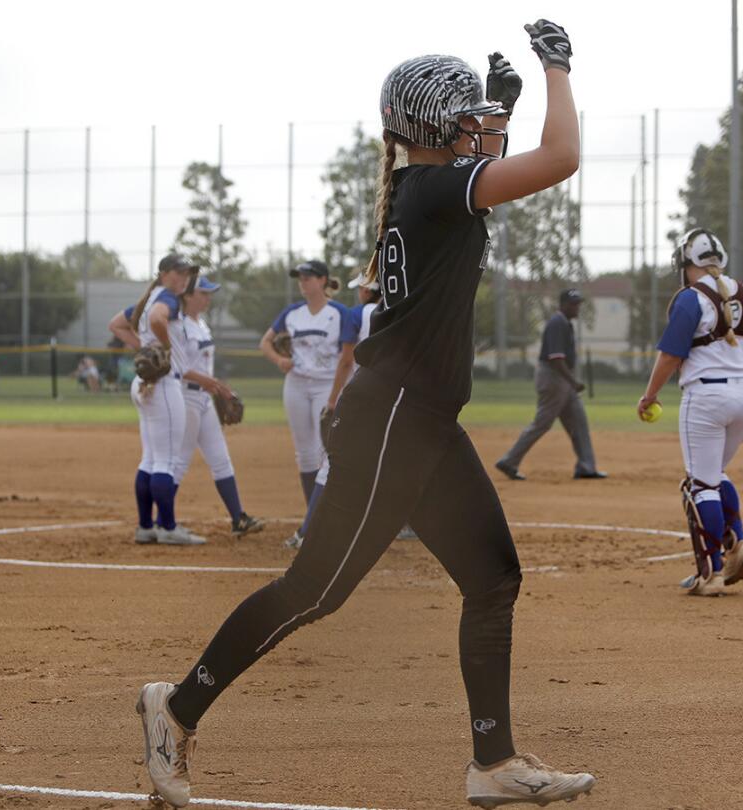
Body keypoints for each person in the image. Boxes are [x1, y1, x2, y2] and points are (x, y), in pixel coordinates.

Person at [135, 26, 596, 808]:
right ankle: (173, 711)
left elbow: (493, 161)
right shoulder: (437, 190)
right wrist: (557, 68)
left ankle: (493, 764)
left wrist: (498, 116)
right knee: (316, 590)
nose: (475, 126)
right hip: (393, 421)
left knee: (492, 579)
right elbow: (560, 160)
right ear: (427, 130)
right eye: (462, 118)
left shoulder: (426, 190)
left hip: (421, 422)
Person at [636, 228, 743, 597]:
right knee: (714, 474)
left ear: (685, 264)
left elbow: (670, 356)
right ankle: (738, 543)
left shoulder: (691, 299)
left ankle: (710, 573)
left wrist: (649, 395)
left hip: (706, 397)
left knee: (701, 483)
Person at [288, 273, 419, 549]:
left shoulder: (357, 314)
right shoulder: (397, 311)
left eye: (360, 287)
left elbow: (347, 360)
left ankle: (307, 532)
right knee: (394, 457)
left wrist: (333, 400)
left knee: (331, 462)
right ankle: (407, 521)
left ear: (367, 290)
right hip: (398, 394)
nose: (358, 292)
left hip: (366, 396)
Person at [107, 253, 207, 546]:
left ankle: (145, 526)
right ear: (164, 274)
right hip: (164, 384)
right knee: (166, 460)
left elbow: (116, 324)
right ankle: (168, 527)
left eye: (187, 273)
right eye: (178, 272)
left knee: (151, 458)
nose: (184, 278)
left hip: (145, 384)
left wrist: (144, 348)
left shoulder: (149, 297)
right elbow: (156, 319)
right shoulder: (168, 299)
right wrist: (162, 345)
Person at [259, 259, 355, 548]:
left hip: (327, 385)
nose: (303, 282)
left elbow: (347, 360)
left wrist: (334, 397)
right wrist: (279, 360)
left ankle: (312, 526)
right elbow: (265, 342)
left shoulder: (339, 313)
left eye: (309, 277)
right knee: (305, 454)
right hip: (297, 385)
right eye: (300, 278)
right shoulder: (292, 314)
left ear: (323, 280)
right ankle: (315, 517)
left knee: (326, 454)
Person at [169, 277, 267, 538]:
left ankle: (238, 519)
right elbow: (179, 368)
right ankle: (162, 521)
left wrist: (217, 388)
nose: (208, 298)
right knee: (179, 461)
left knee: (221, 459)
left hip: (203, 400)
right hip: (185, 398)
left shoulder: (201, 324)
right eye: (203, 293)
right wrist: (213, 383)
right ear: (188, 295)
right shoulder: (177, 325)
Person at [494, 288, 605, 481]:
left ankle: (586, 467)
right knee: (542, 423)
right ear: (562, 305)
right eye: (573, 304)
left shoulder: (565, 324)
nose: (577, 307)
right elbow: (555, 359)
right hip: (553, 378)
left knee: (579, 421)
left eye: (578, 303)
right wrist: (573, 381)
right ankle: (509, 461)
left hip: (562, 379)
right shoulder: (557, 323)